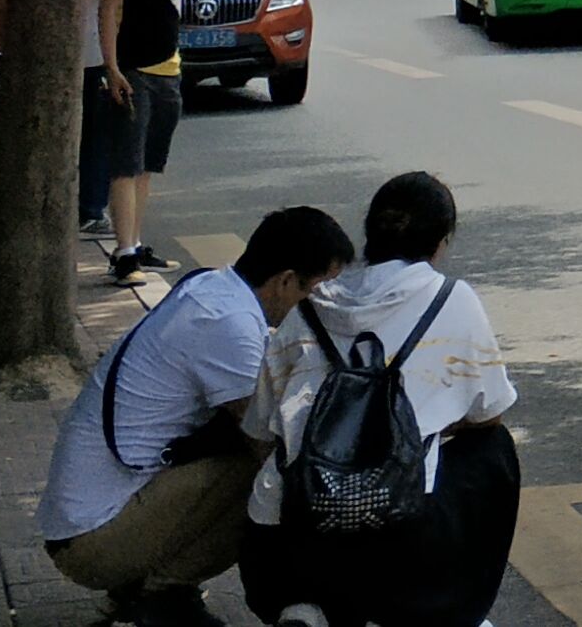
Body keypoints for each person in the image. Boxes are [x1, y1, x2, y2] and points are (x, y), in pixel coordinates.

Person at [40, 205, 354, 627]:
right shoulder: (228, 323)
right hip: (91, 542)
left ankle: (150, 585)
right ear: (285, 281)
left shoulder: (213, 287)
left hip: (86, 518)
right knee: (266, 477)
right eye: (317, 289)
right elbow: (268, 445)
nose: (320, 305)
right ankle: (160, 592)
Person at [241, 173, 521, 627]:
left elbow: (258, 430)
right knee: (492, 448)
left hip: (285, 540)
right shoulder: (452, 299)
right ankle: (448, 607)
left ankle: (304, 604)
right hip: (404, 540)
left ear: (368, 234)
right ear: (441, 243)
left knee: (279, 461)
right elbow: (490, 412)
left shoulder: (309, 308)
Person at [97, 0, 205, 282]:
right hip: (135, 71)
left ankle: (135, 244)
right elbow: (110, 7)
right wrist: (112, 68)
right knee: (127, 161)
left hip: (167, 71)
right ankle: (123, 253)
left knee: (147, 165)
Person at [81, 0, 136, 242]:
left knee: (84, 132)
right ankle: (91, 208)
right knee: (101, 135)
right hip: (100, 49)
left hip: (74, 45)